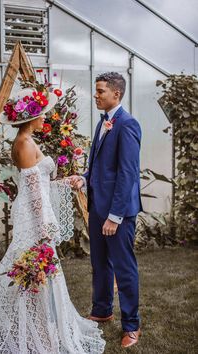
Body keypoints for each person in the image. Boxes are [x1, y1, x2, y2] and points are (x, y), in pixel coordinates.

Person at [0, 88, 105, 354]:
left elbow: (40, 182)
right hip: (33, 217)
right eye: (42, 114)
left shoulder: (26, 140)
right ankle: (40, 334)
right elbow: (33, 191)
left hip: (34, 211)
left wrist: (65, 182)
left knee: (35, 274)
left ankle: (40, 329)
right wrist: (42, 229)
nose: (46, 118)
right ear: (31, 118)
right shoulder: (25, 143)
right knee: (33, 271)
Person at [70, 72, 143, 348]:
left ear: (116, 94)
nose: (96, 95)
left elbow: (127, 174)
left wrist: (115, 216)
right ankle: (101, 310)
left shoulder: (127, 124)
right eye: (96, 90)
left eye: (101, 91)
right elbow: (101, 166)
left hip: (118, 212)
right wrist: (84, 177)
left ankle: (131, 325)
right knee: (99, 263)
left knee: (124, 269)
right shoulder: (104, 123)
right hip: (97, 207)